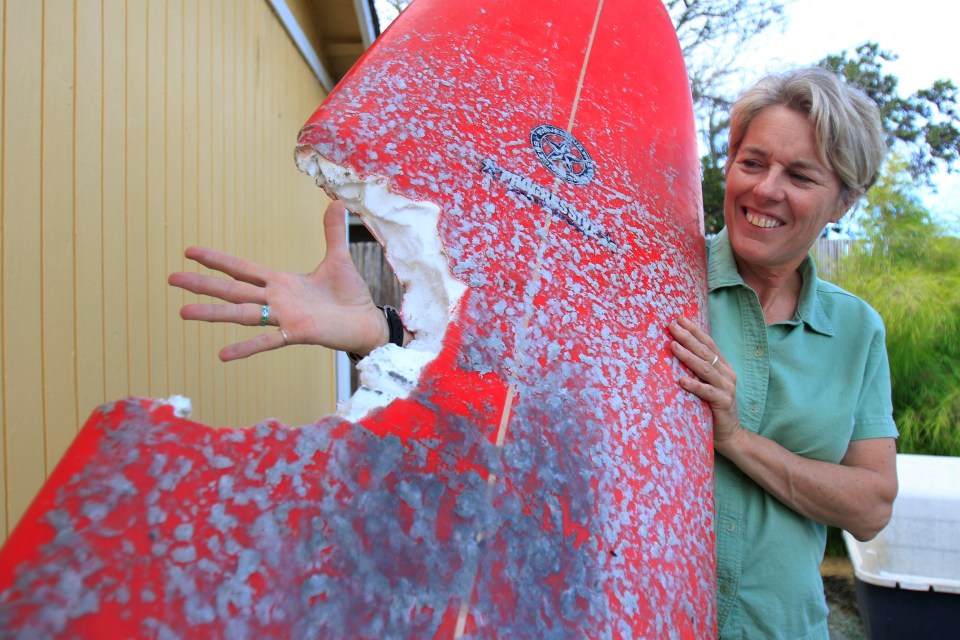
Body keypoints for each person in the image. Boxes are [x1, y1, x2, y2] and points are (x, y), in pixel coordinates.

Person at [169, 66, 898, 637]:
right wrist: (385, 331)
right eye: (752, 161)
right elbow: (503, 371)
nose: (764, 189)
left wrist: (734, 439)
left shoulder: (858, 331)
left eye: (800, 176)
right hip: (619, 620)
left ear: (843, 200)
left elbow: (870, 505)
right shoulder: (631, 279)